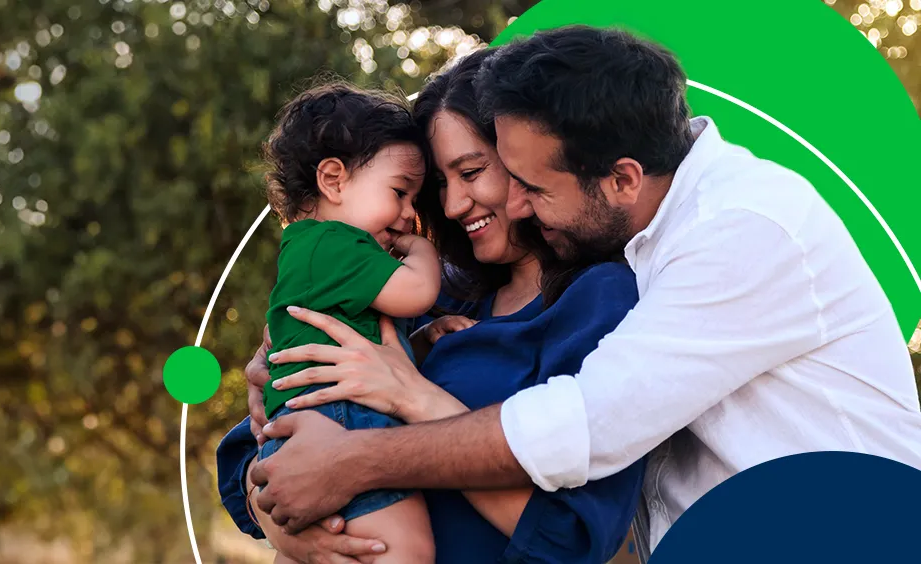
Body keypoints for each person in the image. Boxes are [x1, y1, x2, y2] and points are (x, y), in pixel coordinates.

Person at [244, 25, 921, 562]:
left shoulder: (741, 231)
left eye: (526, 183)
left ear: (622, 179)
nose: (508, 202)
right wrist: (285, 500)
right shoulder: (462, 288)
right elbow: (263, 450)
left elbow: (585, 430)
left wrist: (357, 457)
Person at [216, 48, 646, 563]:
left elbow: (574, 539)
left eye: (470, 171)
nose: (450, 205)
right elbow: (248, 459)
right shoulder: (428, 292)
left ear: (524, 158)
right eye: (438, 184)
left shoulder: (604, 300)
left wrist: (409, 395)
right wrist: (298, 530)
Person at [250, 80, 441, 563]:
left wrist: (422, 340)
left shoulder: (311, 251)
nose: (407, 216)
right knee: (405, 550)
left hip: (301, 426)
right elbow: (418, 290)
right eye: (400, 193)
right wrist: (422, 252)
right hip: (340, 422)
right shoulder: (338, 244)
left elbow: (369, 344)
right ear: (333, 180)